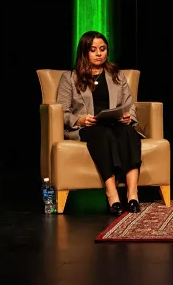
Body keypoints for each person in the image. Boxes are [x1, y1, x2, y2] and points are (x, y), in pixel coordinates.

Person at [56, 31, 143, 216]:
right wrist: (79, 120)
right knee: (104, 134)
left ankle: (132, 194)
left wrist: (128, 116)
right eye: (93, 50)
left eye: (102, 49)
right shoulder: (69, 77)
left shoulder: (116, 75)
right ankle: (112, 194)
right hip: (89, 127)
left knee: (129, 132)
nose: (99, 54)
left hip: (114, 123)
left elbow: (129, 104)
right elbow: (61, 111)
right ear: (84, 52)